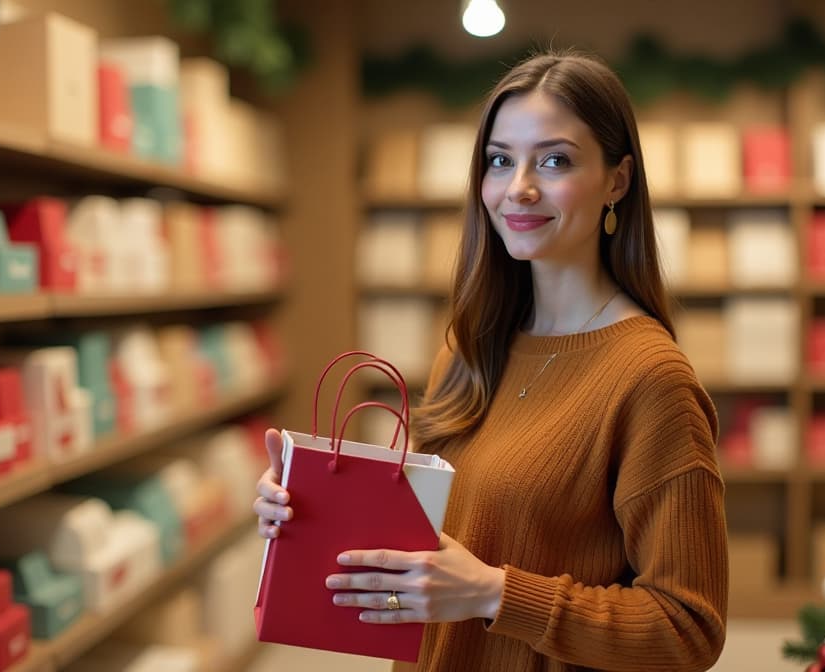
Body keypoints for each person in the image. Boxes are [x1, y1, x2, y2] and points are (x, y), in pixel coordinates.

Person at [255, 48, 728, 672]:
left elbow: (688, 627)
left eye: (555, 160)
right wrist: (309, 510)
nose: (519, 187)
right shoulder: (471, 341)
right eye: (500, 160)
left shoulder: (651, 379)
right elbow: (437, 537)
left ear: (618, 180)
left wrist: (493, 593)